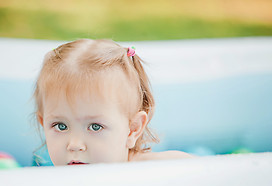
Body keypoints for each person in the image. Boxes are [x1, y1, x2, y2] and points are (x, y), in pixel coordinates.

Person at [32, 39, 192, 166]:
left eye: (95, 126)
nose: (74, 145)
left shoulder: (151, 169)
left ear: (133, 129)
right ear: (43, 123)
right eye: (61, 126)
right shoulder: (48, 179)